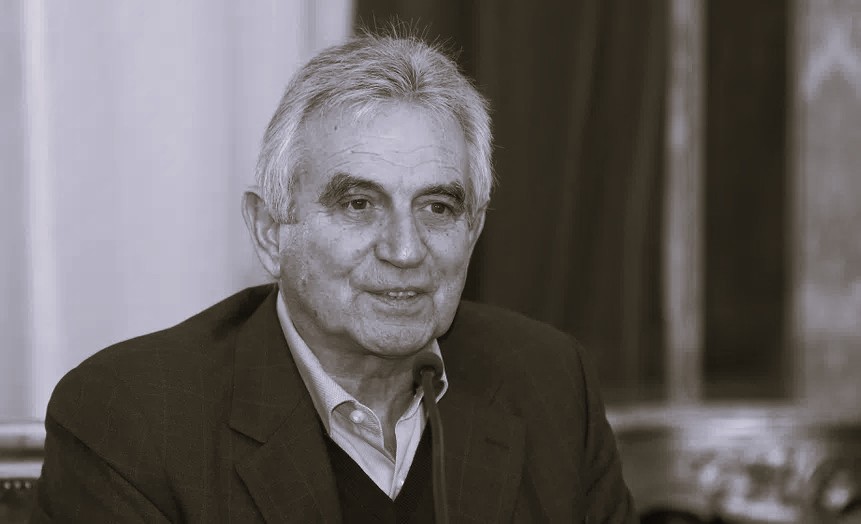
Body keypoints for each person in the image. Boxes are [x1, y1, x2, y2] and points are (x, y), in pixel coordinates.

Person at [31, 31, 637, 523]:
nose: (405, 250)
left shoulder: (549, 383)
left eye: (437, 208)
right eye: (358, 204)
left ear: (473, 231)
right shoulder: (133, 420)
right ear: (271, 231)